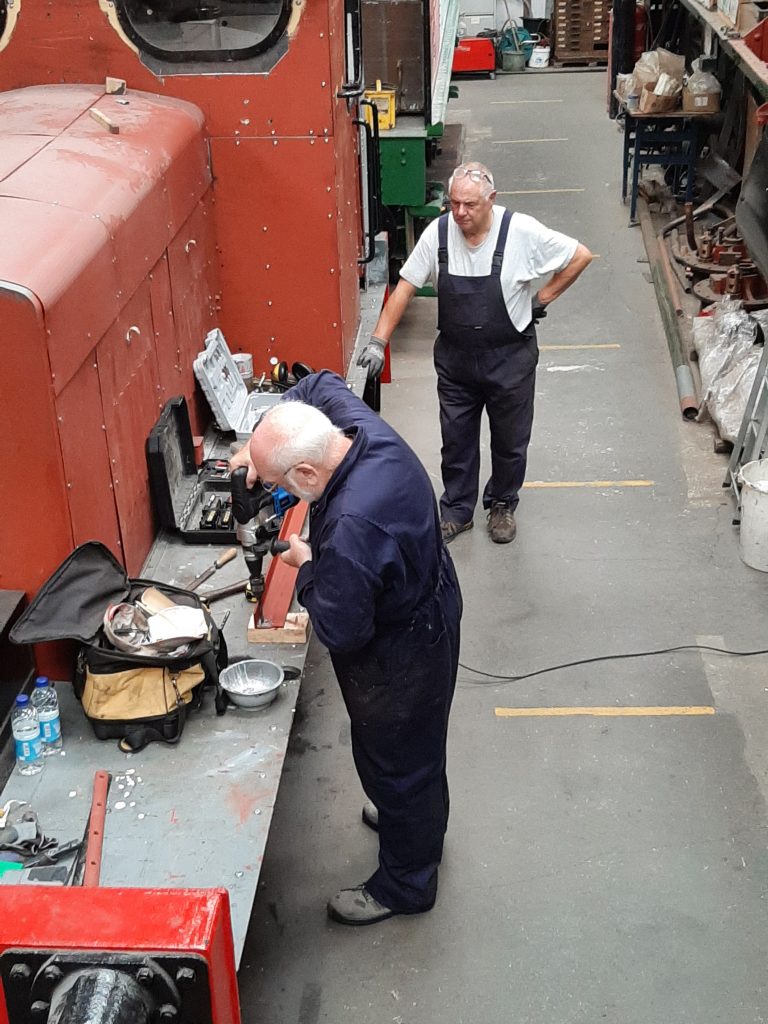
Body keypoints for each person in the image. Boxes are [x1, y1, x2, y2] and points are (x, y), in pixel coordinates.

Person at [232, 370, 462, 926]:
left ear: (306, 471)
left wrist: (307, 566)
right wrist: (255, 446)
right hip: (430, 596)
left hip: (401, 654)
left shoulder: (352, 530)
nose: (269, 488)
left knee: (398, 762)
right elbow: (318, 382)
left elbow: (342, 629)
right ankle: (414, 824)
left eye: (276, 480)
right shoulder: (357, 430)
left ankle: (406, 884)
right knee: (420, 757)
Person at [358, 161, 593, 545]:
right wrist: (378, 342)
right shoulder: (439, 233)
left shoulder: (521, 231)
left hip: (510, 359)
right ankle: (457, 511)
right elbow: (404, 288)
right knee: (456, 439)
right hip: (456, 361)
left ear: (491, 200)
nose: (460, 213)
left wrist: (541, 299)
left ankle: (502, 504)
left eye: (469, 205)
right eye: (454, 204)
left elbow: (579, 255)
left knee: (510, 440)